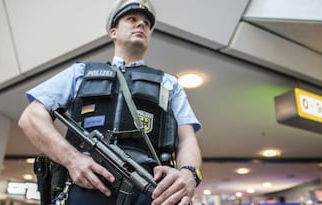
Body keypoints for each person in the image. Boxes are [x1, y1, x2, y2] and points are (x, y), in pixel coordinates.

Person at [18, 0, 202, 204]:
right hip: (86, 185)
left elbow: (187, 138)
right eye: (132, 19)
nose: (141, 25)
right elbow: (31, 117)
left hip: (150, 188)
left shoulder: (169, 83)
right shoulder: (80, 73)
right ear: (113, 32)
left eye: (146, 23)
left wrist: (188, 175)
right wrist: (72, 159)